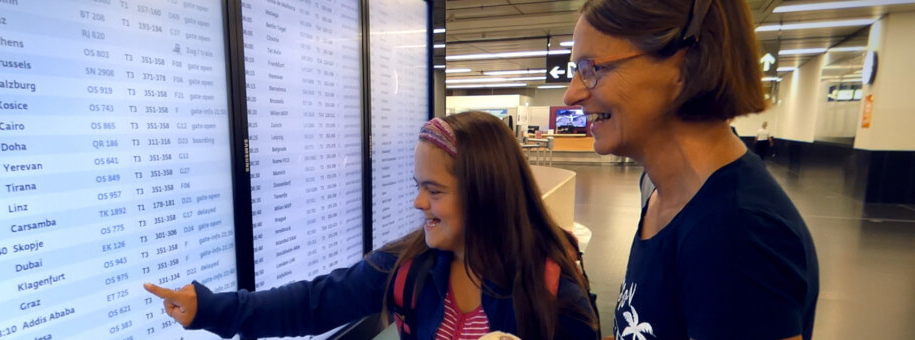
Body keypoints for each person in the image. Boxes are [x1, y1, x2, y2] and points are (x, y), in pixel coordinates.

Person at [144, 112, 601, 339]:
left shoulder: (551, 295)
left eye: (434, 190)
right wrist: (210, 308)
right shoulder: (407, 267)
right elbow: (313, 303)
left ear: (486, 193)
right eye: (417, 185)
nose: (417, 201)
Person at [563, 0, 819, 339]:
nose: (572, 94)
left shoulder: (737, 234)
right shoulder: (658, 191)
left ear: (683, 66)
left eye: (592, 68)